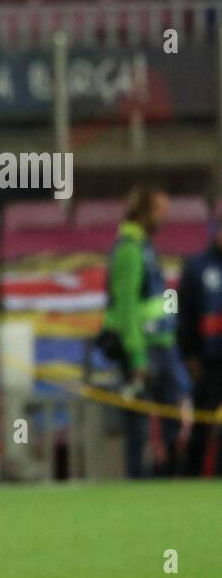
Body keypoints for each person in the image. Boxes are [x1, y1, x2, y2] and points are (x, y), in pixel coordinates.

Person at [101, 187, 193, 477]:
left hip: (162, 344)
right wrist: (137, 358)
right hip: (143, 348)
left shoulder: (145, 247)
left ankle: (167, 478)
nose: (165, 217)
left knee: (173, 419)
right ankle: (138, 484)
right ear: (143, 212)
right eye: (159, 211)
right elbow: (126, 306)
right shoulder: (129, 249)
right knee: (138, 427)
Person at [179, 221, 222, 476]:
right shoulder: (196, 268)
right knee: (203, 424)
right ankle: (191, 478)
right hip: (210, 362)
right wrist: (190, 355)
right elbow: (183, 314)